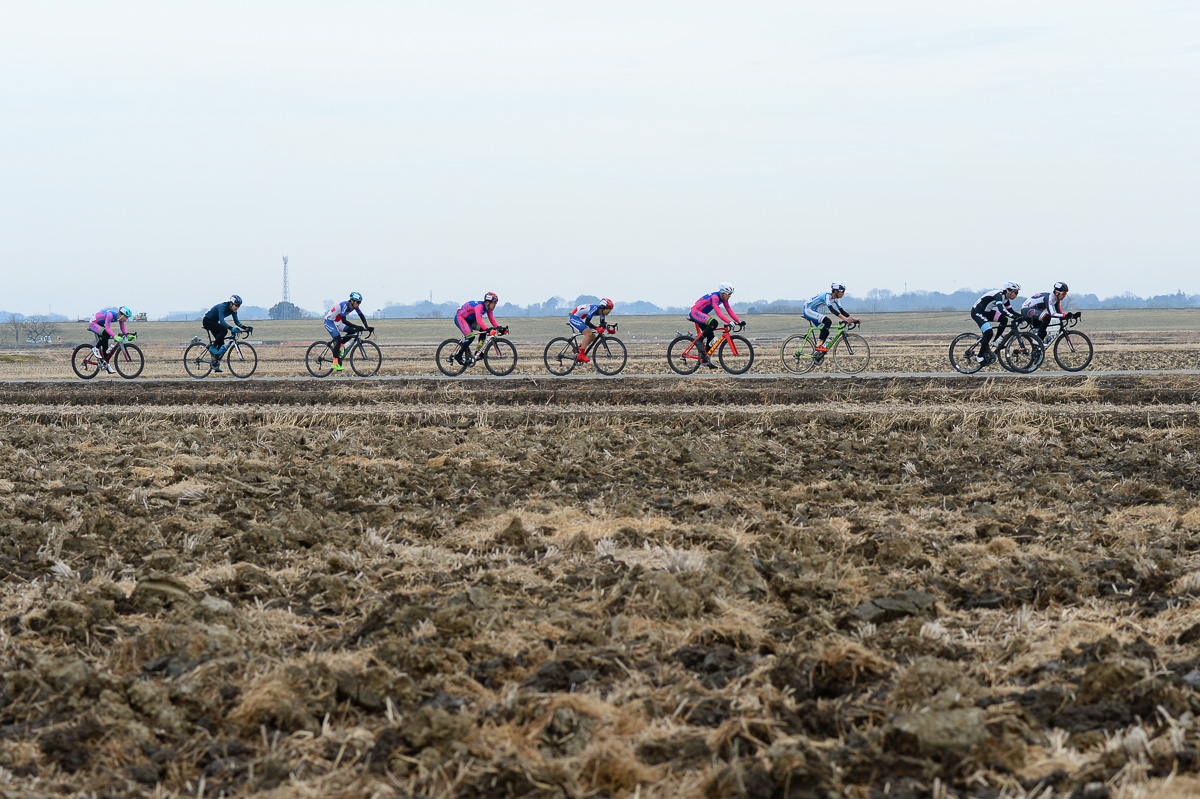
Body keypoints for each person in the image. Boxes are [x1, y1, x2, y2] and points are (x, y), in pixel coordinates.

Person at [689, 284, 743, 369]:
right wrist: (728, 321)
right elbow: (718, 312)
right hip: (695, 312)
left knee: (711, 338)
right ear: (722, 292)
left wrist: (739, 321)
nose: (729, 296)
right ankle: (699, 341)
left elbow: (729, 310)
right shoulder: (715, 297)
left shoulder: (723, 299)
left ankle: (705, 360)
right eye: (728, 294)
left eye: (730, 294)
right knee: (714, 323)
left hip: (702, 314)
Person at [970, 282, 1022, 364]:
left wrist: (1023, 317)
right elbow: (1002, 310)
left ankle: (995, 341)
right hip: (977, 312)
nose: (1016, 295)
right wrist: (1014, 317)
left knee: (1004, 320)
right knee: (989, 333)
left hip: (987, 312)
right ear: (1009, 291)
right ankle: (979, 357)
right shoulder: (999, 296)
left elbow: (1010, 311)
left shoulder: (1006, 299)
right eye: (1016, 292)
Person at [804, 283, 861, 352]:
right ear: (836, 291)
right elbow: (832, 310)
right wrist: (845, 319)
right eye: (842, 291)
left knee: (826, 331)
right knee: (828, 321)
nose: (843, 293)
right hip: (808, 310)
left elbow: (842, 311)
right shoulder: (827, 296)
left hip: (814, 310)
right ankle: (819, 344)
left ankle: (817, 354)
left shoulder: (836, 299)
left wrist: (854, 319)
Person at [324, 292, 374, 371]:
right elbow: (344, 320)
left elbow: (361, 316)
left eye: (360, 302)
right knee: (338, 338)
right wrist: (357, 326)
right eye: (357, 302)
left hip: (338, 322)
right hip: (330, 322)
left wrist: (367, 327)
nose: (358, 304)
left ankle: (340, 346)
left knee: (352, 331)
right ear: (352, 301)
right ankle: (335, 363)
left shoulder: (354, 306)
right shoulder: (344, 305)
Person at [203, 295, 252, 373]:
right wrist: (231, 328)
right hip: (207, 321)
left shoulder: (233, 310)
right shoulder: (222, 307)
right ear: (231, 304)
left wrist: (245, 327)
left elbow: (236, 322)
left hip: (214, 322)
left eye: (239, 306)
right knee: (224, 331)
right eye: (236, 305)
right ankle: (212, 347)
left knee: (221, 343)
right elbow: (222, 321)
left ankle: (215, 364)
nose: (237, 307)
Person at [454, 292, 502, 364]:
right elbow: (479, 321)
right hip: (461, 318)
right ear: (488, 302)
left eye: (496, 303)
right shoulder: (479, 306)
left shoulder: (488, 309)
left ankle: (478, 352)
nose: (495, 305)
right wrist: (488, 329)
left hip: (471, 320)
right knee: (471, 337)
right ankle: (458, 355)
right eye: (494, 303)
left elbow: (492, 319)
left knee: (483, 330)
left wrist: (499, 328)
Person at [568, 298, 614, 363]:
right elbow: (587, 322)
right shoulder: (594, 308)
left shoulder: (602, 313)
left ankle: (579, 348)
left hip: (581, 318)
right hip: (574, 317)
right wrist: (597, 328)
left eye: (610, 310)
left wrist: (608, 329)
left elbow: (602, 324)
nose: (609, 312)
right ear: (603, 308)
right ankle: (581, 355)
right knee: (589, 334)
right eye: (609, 309)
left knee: (594, 336)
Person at [88, 306, 132, 373]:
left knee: (106, 344)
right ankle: (96, 348)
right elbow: (108, 329)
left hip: (100, 324)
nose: (126, 319)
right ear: (120, 314)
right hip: (93, 323)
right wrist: (115, 337)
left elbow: (123, 328)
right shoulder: (110, 315)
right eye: (126, 317)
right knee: (107, 334)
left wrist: (128, 335)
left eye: (127, 317)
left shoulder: (120, 318)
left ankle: (107, 365)